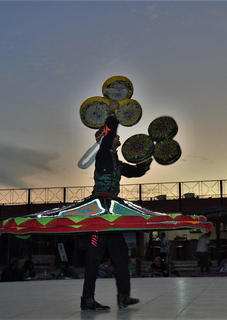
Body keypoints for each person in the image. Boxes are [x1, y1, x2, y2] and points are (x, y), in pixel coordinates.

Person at [81, 103, 152, 311]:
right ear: (107, 140)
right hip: (97, 213)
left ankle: (123, 297)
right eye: (116, 137)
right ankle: (87, 300)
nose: (119, 138)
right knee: (93, 258)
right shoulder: (102, 155)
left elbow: (136, 171)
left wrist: (148, 158)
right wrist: (112, 112)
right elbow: (111, 129)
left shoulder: (115, 162)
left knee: (121, 255)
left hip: (110, 214)